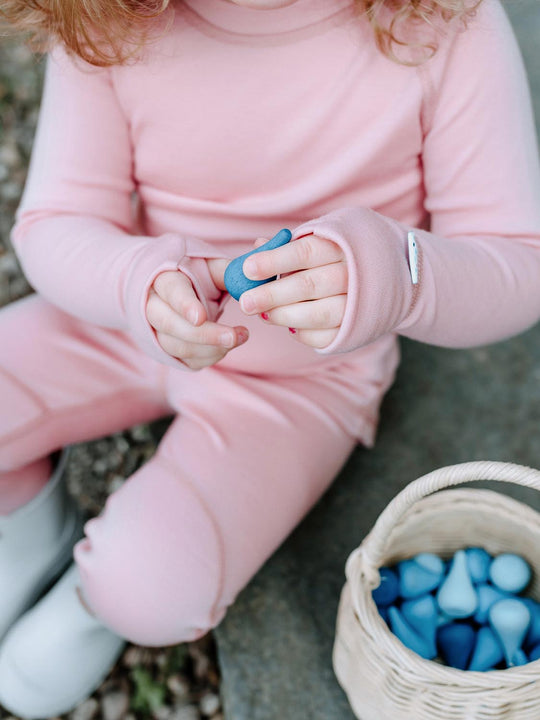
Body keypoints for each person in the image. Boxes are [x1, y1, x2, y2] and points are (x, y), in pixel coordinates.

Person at [1, 0, 540, 715]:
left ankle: (90, 600)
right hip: (128, 318)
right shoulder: (113, 15)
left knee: (149, 586)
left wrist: (400, 276)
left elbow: (517, 262)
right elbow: (56, 222)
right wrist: (135, 283)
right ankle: (29, 539)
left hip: (307, 381)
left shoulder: (445, 20)